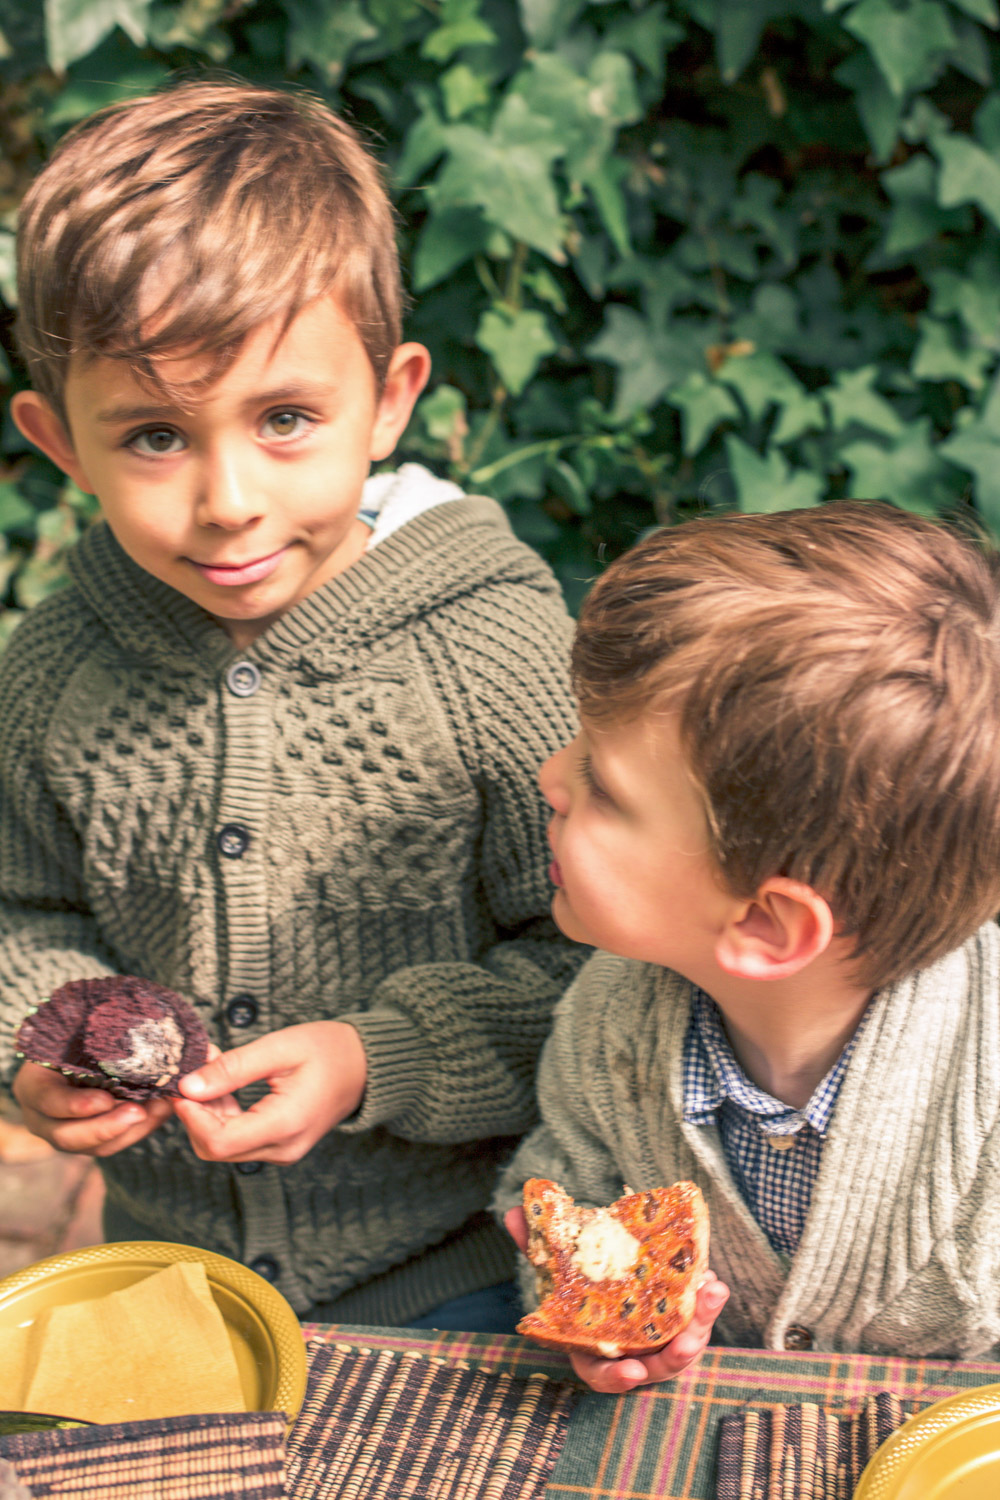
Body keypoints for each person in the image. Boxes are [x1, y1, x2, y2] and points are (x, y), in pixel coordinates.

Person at [0, 79, 585, 1332]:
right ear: (58, 443)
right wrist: (37, 1041)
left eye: (284, 420)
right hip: (172, 1279)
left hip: (471, 1268)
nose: (227, 500)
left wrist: (381, 1057)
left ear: (388, 398)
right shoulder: (55, 673)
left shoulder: (492, 652)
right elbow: (17, 910)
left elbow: (608, 970)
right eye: (154, 436)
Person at [494, 501, 1000, 1389]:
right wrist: (588, 1308)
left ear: (766, 925)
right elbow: (560, 1187)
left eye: (605, 790)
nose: (550, 777)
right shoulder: (611, 1017)